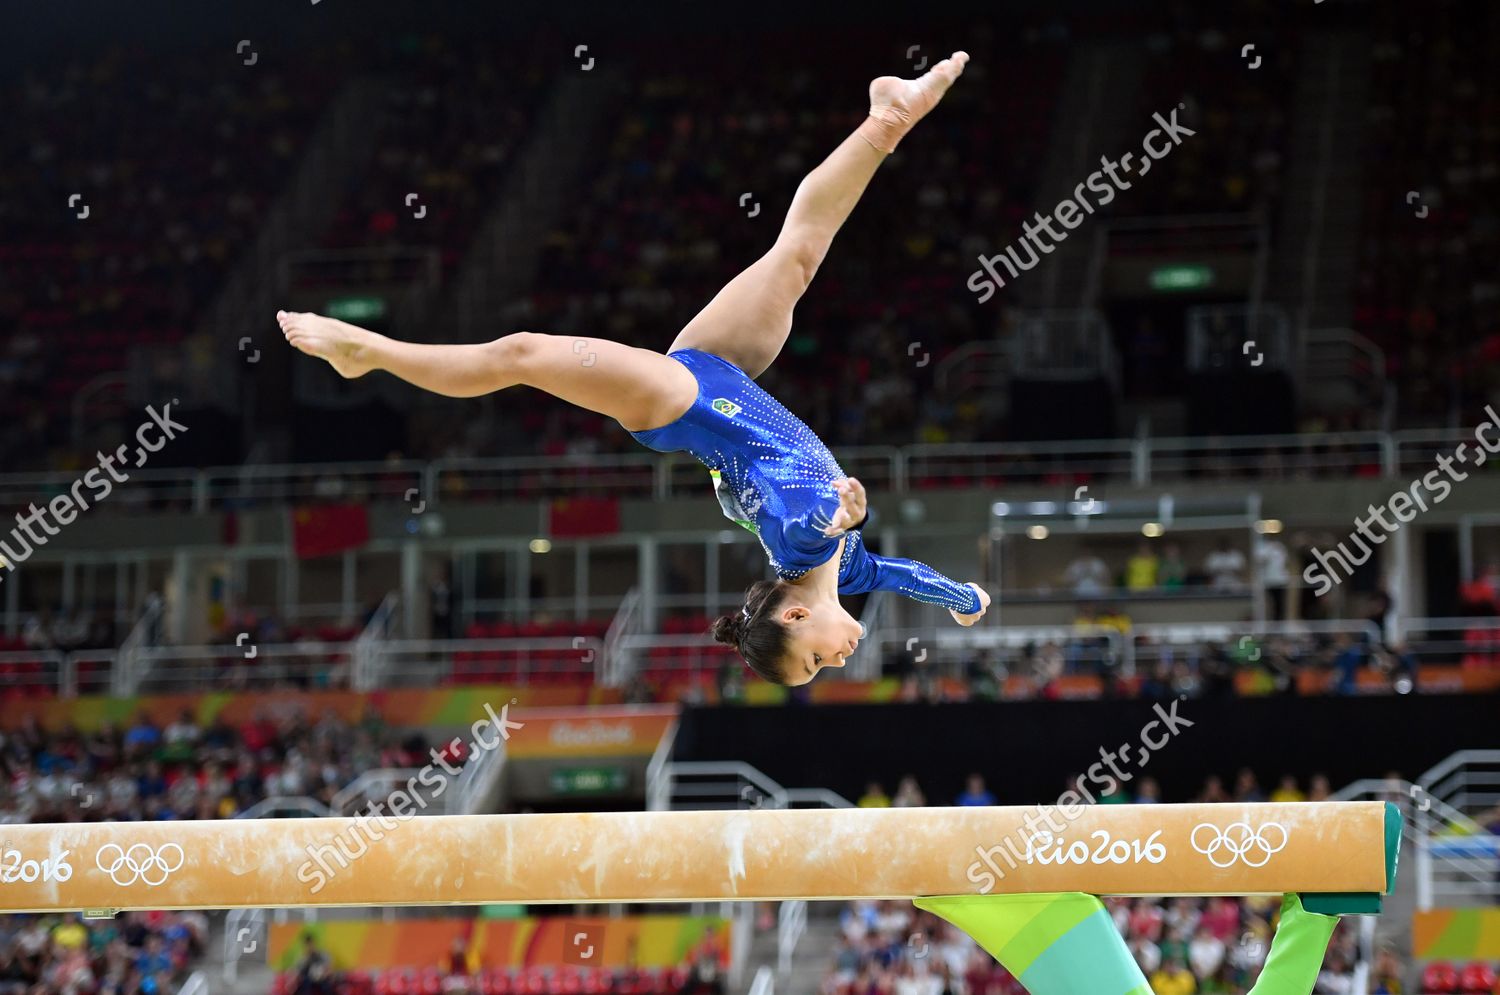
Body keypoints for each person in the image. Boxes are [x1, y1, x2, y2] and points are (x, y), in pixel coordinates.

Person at [280, 53, 987, 687]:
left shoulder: (797, 541)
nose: (836, 662)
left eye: (812, 660)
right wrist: (962, 599)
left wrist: (839, 515)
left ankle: (364, 352)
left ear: (796, 616)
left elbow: (803, 523)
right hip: (724, 374)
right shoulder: (852, 569)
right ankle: (887, 119)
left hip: (683, 406)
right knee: (800, 251)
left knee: (522, 352)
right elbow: (907, 576)